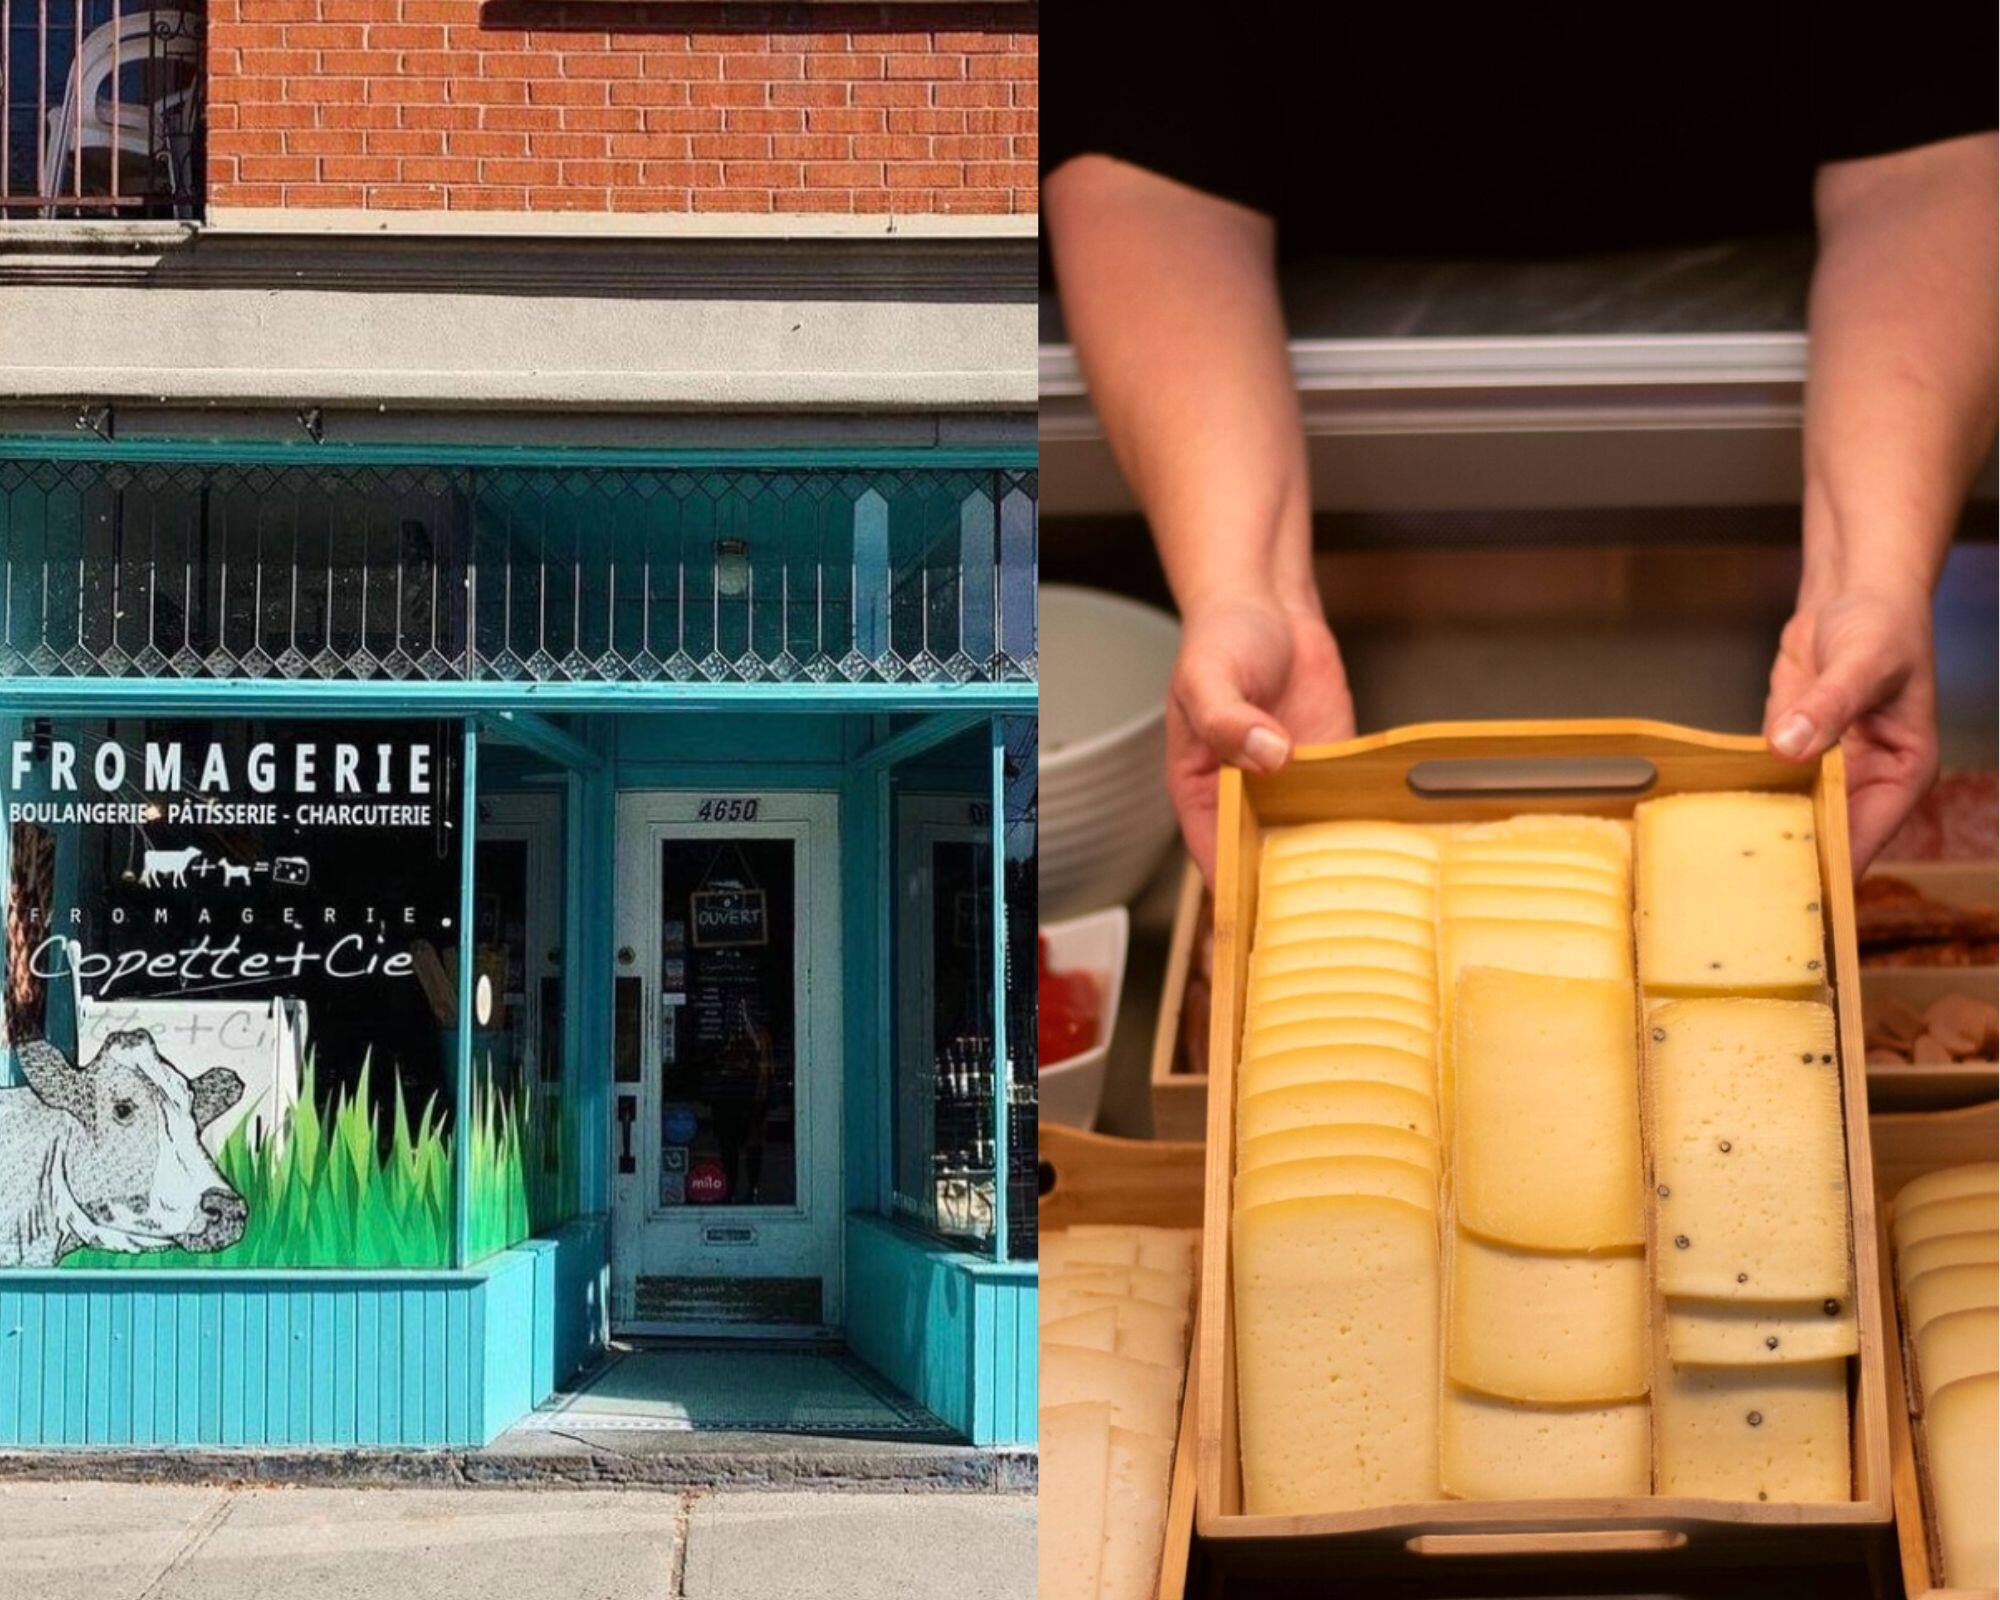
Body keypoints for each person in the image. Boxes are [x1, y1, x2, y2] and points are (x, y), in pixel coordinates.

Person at [1045, 8, 1997, 877]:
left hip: (1824, 363)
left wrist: (1868, 576)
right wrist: (1246, 589)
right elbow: (1152, 162)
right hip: (1239, 366)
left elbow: (1925, 153)